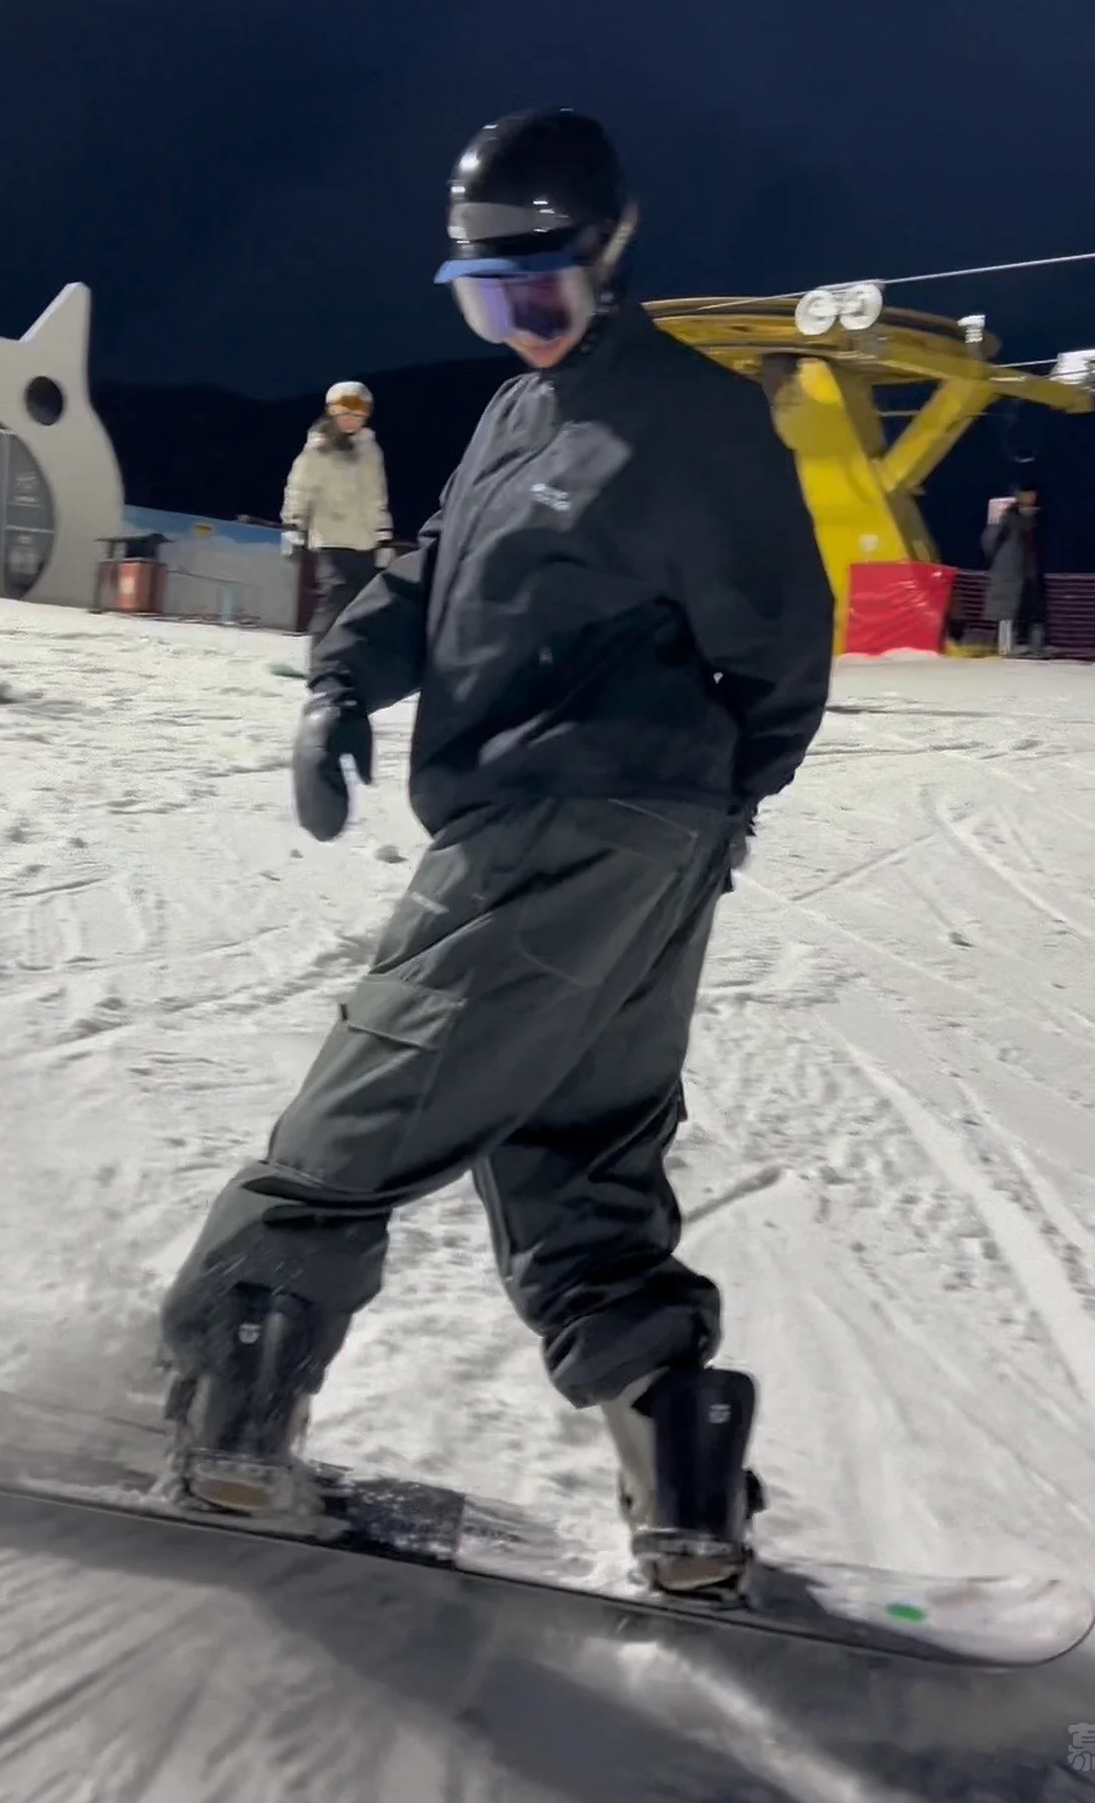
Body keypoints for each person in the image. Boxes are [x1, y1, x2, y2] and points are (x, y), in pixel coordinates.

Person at [157, 108, 835, 1597]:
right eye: (486, 300)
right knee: (576, 1157)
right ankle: (680, 1460)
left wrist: (694, 801)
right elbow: (431, 570)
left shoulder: (689, 419)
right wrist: (342, 684)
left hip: (572, 819)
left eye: (543, 293)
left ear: (611, 256)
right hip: (611, 833)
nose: (522, 325)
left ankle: (230, 1407)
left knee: (364, 1114)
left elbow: (782, 643)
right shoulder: (518, 416)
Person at [280, 382, 394, 655]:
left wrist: (383, 538)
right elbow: (299, 489)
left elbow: (377, 498)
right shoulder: (319, 449)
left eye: (359, 413)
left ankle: (348, 661)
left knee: (361, 604)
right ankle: (320, 659)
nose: (352, 419)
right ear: (331, 411)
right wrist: (293, 525)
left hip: (365, 542)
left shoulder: (370, 450)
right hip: (332, 539)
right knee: (335, 597)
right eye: (344, 412)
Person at [982, 484, 1047, 656]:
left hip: (1032, 575)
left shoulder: (1039, 518)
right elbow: (989, 544)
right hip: (1011, 575)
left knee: (1034, 613)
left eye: (1032, 494)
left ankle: (1036, 648)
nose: (1030, 498)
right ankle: (1006, 648)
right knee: (1007, 612)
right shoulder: (1008, 518)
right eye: (1026, 494)